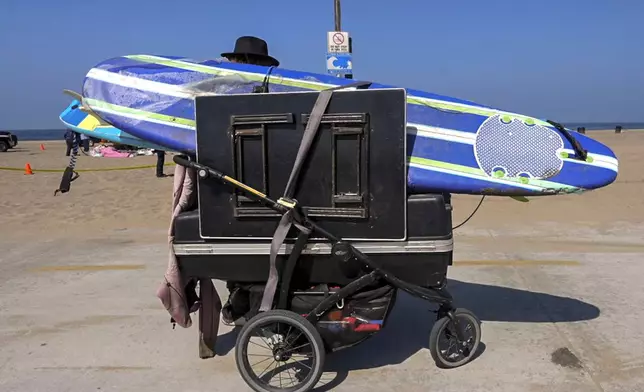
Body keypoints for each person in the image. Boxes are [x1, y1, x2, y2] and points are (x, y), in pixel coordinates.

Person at [218, 36, 280, 325]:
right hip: (267, 183)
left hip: (239, 185)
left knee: (243, 248)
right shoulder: (271, 95)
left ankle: (246, 302)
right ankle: (246, 301)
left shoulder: (227, 98)